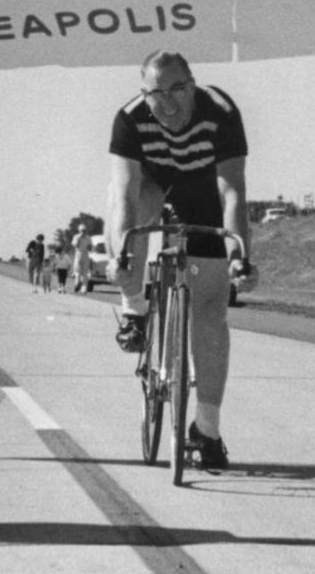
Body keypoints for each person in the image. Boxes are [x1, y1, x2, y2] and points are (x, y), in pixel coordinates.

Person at [106, 50, 256, 472]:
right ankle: (135, 308)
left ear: (193, 84)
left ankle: (206, 430)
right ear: (143, 94)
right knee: (134, 217)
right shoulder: (131, 118)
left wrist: (239, 256)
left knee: (209, 315)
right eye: (156, 93)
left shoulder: (221, 112)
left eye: (178, 89)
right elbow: (124, 195)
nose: (168, 103)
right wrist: (119, 256)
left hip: (205, 187)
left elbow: (233, 192)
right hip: (153, 182)